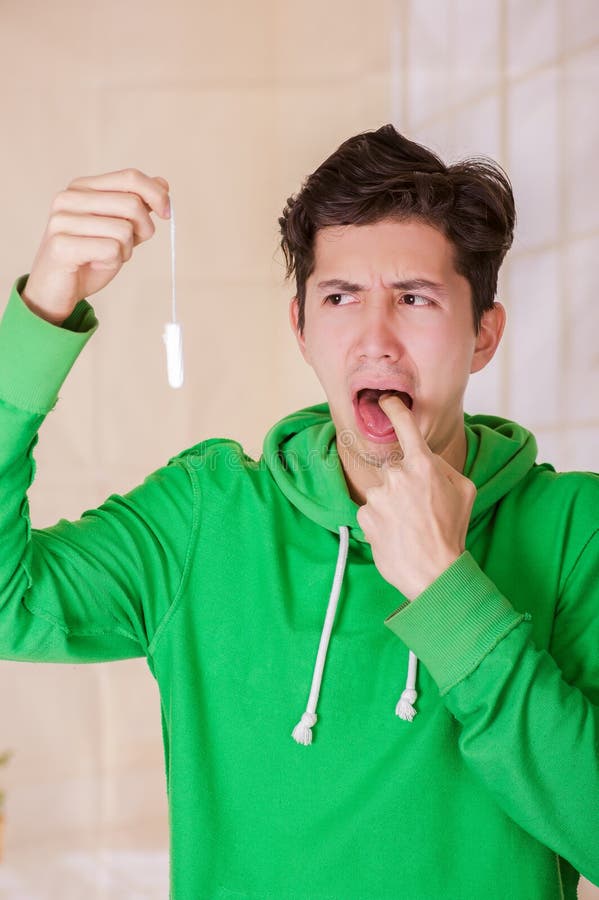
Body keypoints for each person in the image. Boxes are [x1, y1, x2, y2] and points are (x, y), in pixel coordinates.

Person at [0, 124, 597, 900]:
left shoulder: (573, 528)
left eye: (414, 298)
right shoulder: (205, 515)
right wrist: (42, 313)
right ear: (301, 328)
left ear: (483, 335)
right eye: (340, 297)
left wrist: (451, 593)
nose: (373, 339)